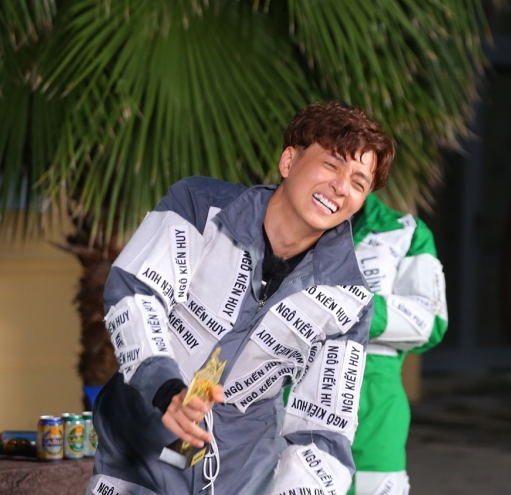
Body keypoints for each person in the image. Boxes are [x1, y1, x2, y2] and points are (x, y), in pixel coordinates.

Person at [90, 101, 395, 495]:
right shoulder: (200, 205)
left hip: (243, 471)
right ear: (289, 161)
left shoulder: (349, 298)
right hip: (138, 448)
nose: (341, 187)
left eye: (358, 182)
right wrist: (166, 389)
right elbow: (136, 292)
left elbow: (324, 430)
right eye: (332, 165)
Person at [348, 193, 448, 495]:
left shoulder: (406, 231)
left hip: (374, 398)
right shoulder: (279, 219)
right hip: (288, 392)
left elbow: (431, 323)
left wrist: (346, 304)